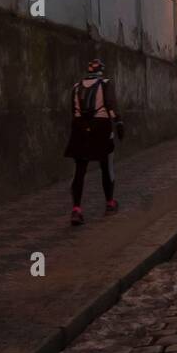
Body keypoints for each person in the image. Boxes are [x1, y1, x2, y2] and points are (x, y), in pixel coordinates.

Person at [64, 57, 123, 226]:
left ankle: (76, 209)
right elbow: (111, 107)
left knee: (79, 170)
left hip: (80, 127)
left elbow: (72, 111)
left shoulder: (76, 86)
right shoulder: (105, 83)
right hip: (101, 126)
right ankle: (110, 203)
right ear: (101, 70)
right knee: (107, 166)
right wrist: (118, 122)